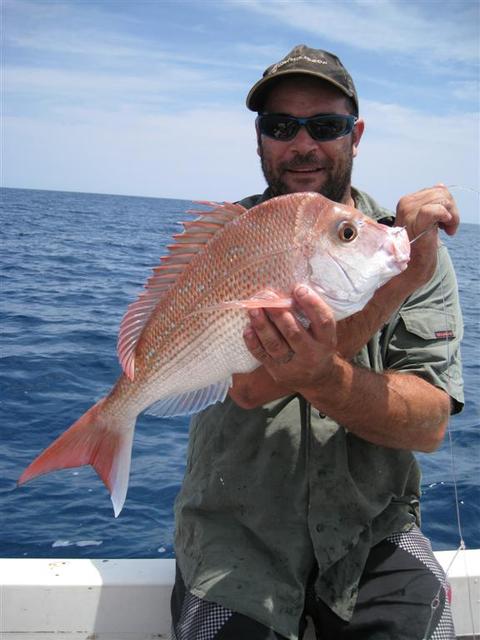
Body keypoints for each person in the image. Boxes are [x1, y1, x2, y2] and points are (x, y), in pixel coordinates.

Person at [170, 45, 464, 640]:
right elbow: (249, 389)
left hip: (373, 534)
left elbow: (429, 425)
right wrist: (398, 282)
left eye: (324, 126)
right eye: (281, 126)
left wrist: (328, 370)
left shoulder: (405, 247)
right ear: (260, 139)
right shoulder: (226, 242)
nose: (301, 144)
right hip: (233, 539)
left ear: (355, 136)